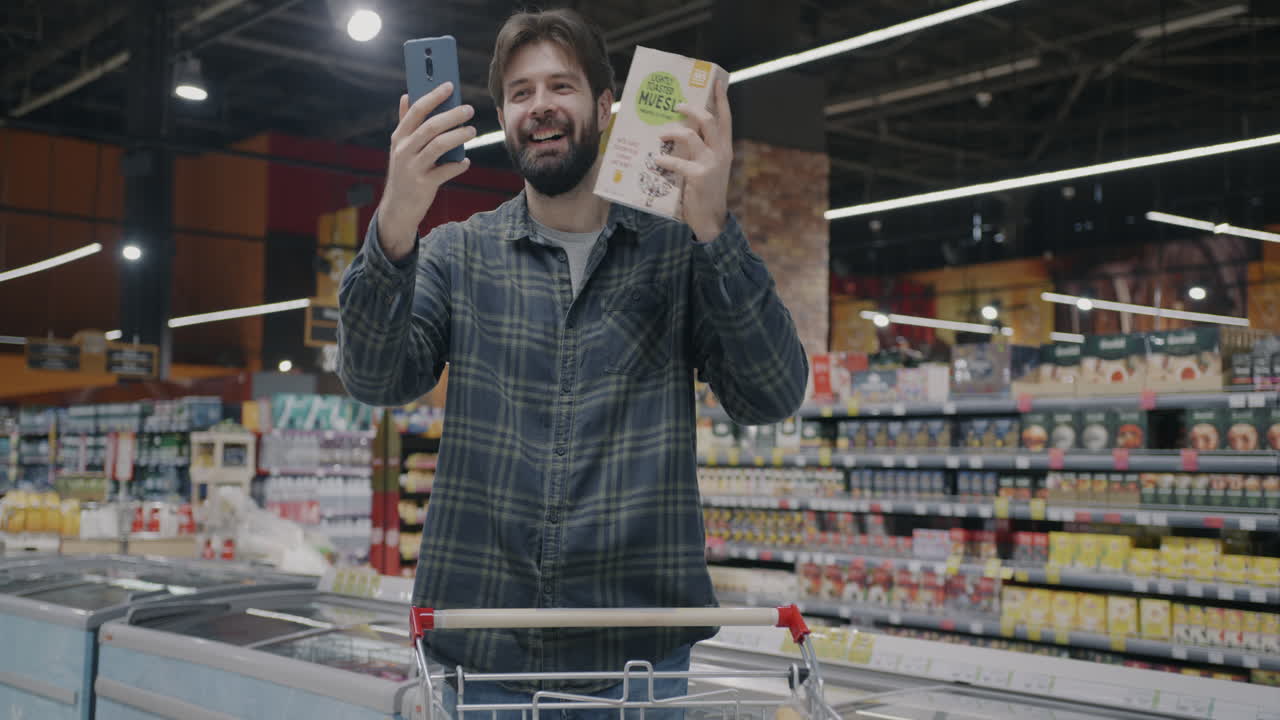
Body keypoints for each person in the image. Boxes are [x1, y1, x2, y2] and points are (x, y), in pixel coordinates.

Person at [338, 8, 808, 718]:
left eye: (562, 86)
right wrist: (396, 222)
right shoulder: (458, 254)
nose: (541, 107)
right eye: (521, 93)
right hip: (477, 661)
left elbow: (772, 393)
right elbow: (374, 378)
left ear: (606, 106)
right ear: (503, 114)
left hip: (638, 667)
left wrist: (712, 225)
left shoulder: (676, 254)